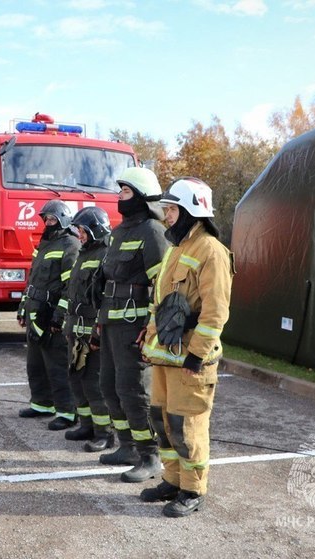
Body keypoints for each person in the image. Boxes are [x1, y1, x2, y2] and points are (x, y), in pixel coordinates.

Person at [140, 177, 234, 517]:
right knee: (162, 419)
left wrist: (197, 353)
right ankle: (172, 480)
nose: (166, 216)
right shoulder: (177, 248)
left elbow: (215, 310)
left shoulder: (211, 251)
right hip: (166, 357)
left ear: (191, 211)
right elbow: (162, 303)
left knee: (187, 426)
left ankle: (193, 489)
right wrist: (148, 337)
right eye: (166, 210)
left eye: (171, 210)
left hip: (191, 360)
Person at [97, 167, 169, 483]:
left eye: (125, 192)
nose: (119, 198)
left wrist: (152, 326)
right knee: (109, 386)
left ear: (140, 196)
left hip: (133, 325)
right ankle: (126, 447)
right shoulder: (118, 232)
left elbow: (163, 284)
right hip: (111, 323)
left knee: (133, 391)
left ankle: (150, 455)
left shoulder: (153, 231)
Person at [53, 206, 114, 451]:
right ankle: (86, 425)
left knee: (94, 383)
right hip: (75, 331)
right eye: (78, 230)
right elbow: (72, 293)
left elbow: (106, 298)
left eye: (82, 230)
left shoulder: (106, 255)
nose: (79, 235)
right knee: (76, 378)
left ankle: (104, 433)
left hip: (92, 333)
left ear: (95, 228)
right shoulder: (84, 254)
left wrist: (97, 331)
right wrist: (67, 324)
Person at [17, 200, 80, 430]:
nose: (48, 223)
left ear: (63, 219)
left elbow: (70, 286)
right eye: (46, 219)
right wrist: (23, 307)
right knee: (35, 363)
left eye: (52, 219)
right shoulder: (44, 244)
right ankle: (42, 404)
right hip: (36, 312)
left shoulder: (70, 245)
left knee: (57, 365)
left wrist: (59, 316)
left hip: (52, 315)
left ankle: (66, 411)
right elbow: (32, 280)